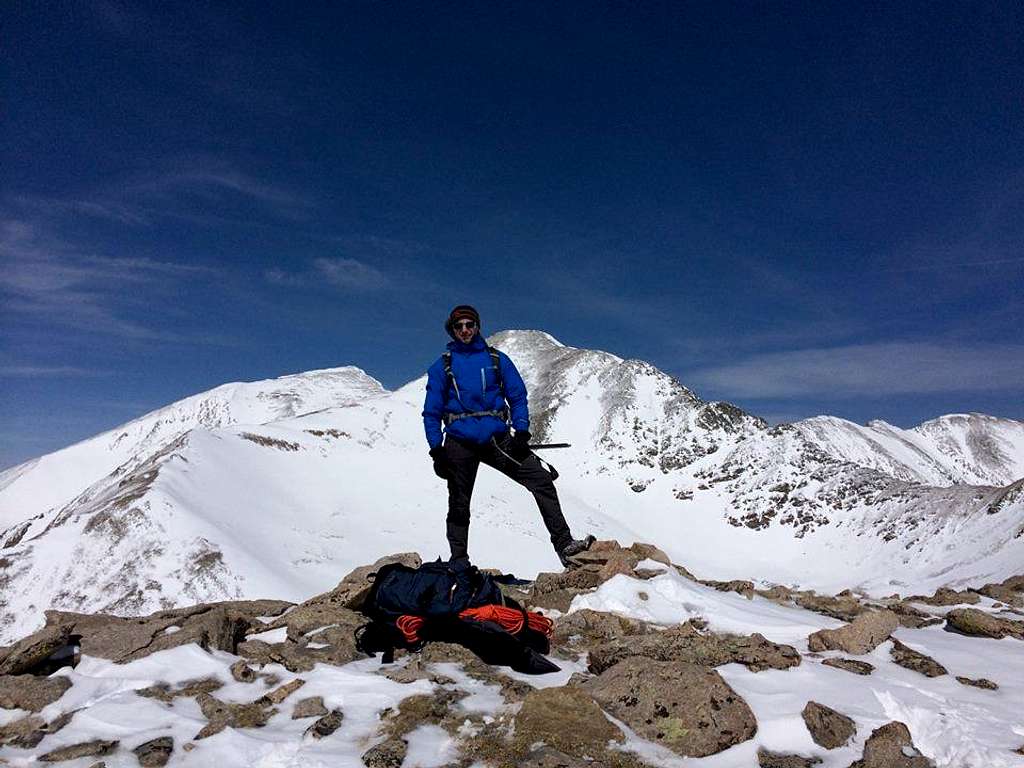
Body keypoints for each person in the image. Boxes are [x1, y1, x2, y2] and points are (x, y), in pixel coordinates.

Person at [422, 305, 594, 568]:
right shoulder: (443, 367)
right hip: (459, 441)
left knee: (541, 479)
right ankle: (459, 563)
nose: (465, 330)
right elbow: (431, 412)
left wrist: (521, 429)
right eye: (459, 326)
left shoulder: (496, 360)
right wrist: (437, 450)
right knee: (458, 504)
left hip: (497, 439)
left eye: (470, 324)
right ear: (453, 330)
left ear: (477, 326)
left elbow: (517, 395)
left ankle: (565, 545)